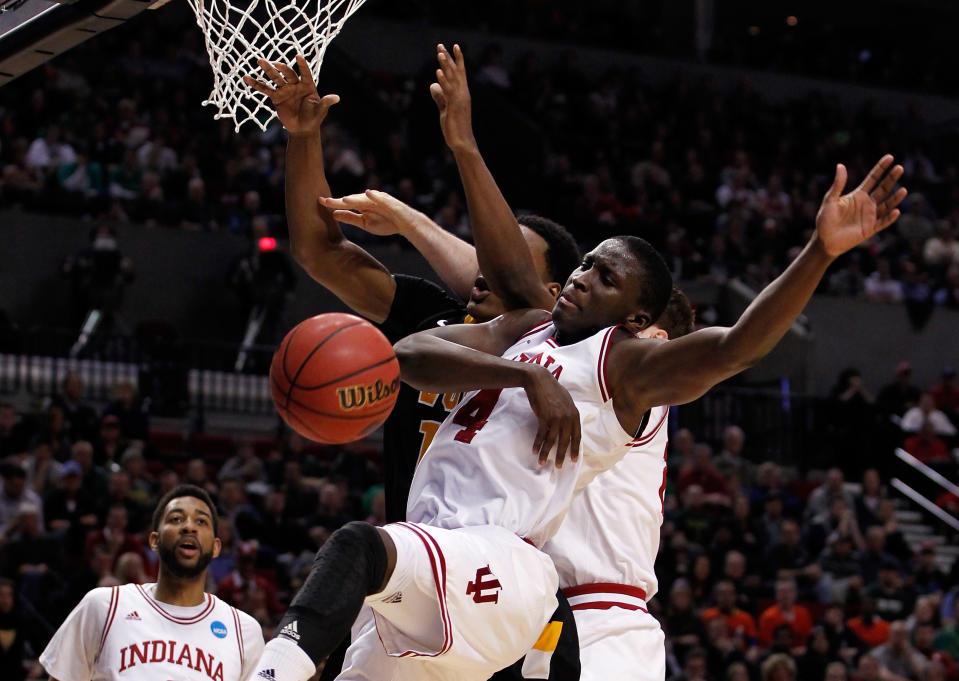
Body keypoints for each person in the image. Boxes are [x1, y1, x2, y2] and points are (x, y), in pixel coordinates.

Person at [249, 43, 905, 681]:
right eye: (584, 264)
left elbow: (735, 346)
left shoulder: (624, 361)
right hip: (443, 572)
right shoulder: (511, 333)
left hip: (556, 592)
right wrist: (520, 367)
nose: (584, 276)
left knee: (359, 548)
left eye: (601, 272)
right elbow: (419, 340)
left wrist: (818, 253)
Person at [245, 47, 581, 681]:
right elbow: (321, 252)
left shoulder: (561, 347)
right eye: (485, 252)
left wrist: (419, 208)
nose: (489, 267)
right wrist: (305, 137)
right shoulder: (429, 316)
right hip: (419, 569)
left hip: (503, 584)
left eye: (509, 259)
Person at [39, 485, 264, 681]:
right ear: (154, 540)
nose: (189, 527)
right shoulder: (104, 605)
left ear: (216, 547)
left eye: (201, 521)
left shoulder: (244, 631)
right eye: (176, 519)